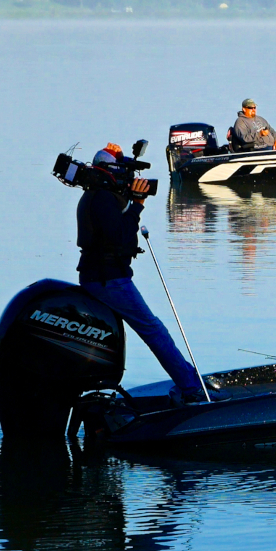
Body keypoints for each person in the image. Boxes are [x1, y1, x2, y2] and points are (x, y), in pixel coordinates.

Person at [76, 145, 210, 405]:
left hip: (101, 276)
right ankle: (191, 387)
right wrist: (137, 205)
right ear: (112, 171)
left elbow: (114, 232)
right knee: (153, 329)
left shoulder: (95, 195)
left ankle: (189, 379)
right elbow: (119, 238)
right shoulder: (103, 199)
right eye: (122, 170)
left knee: (153, 328)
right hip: (109, 279)